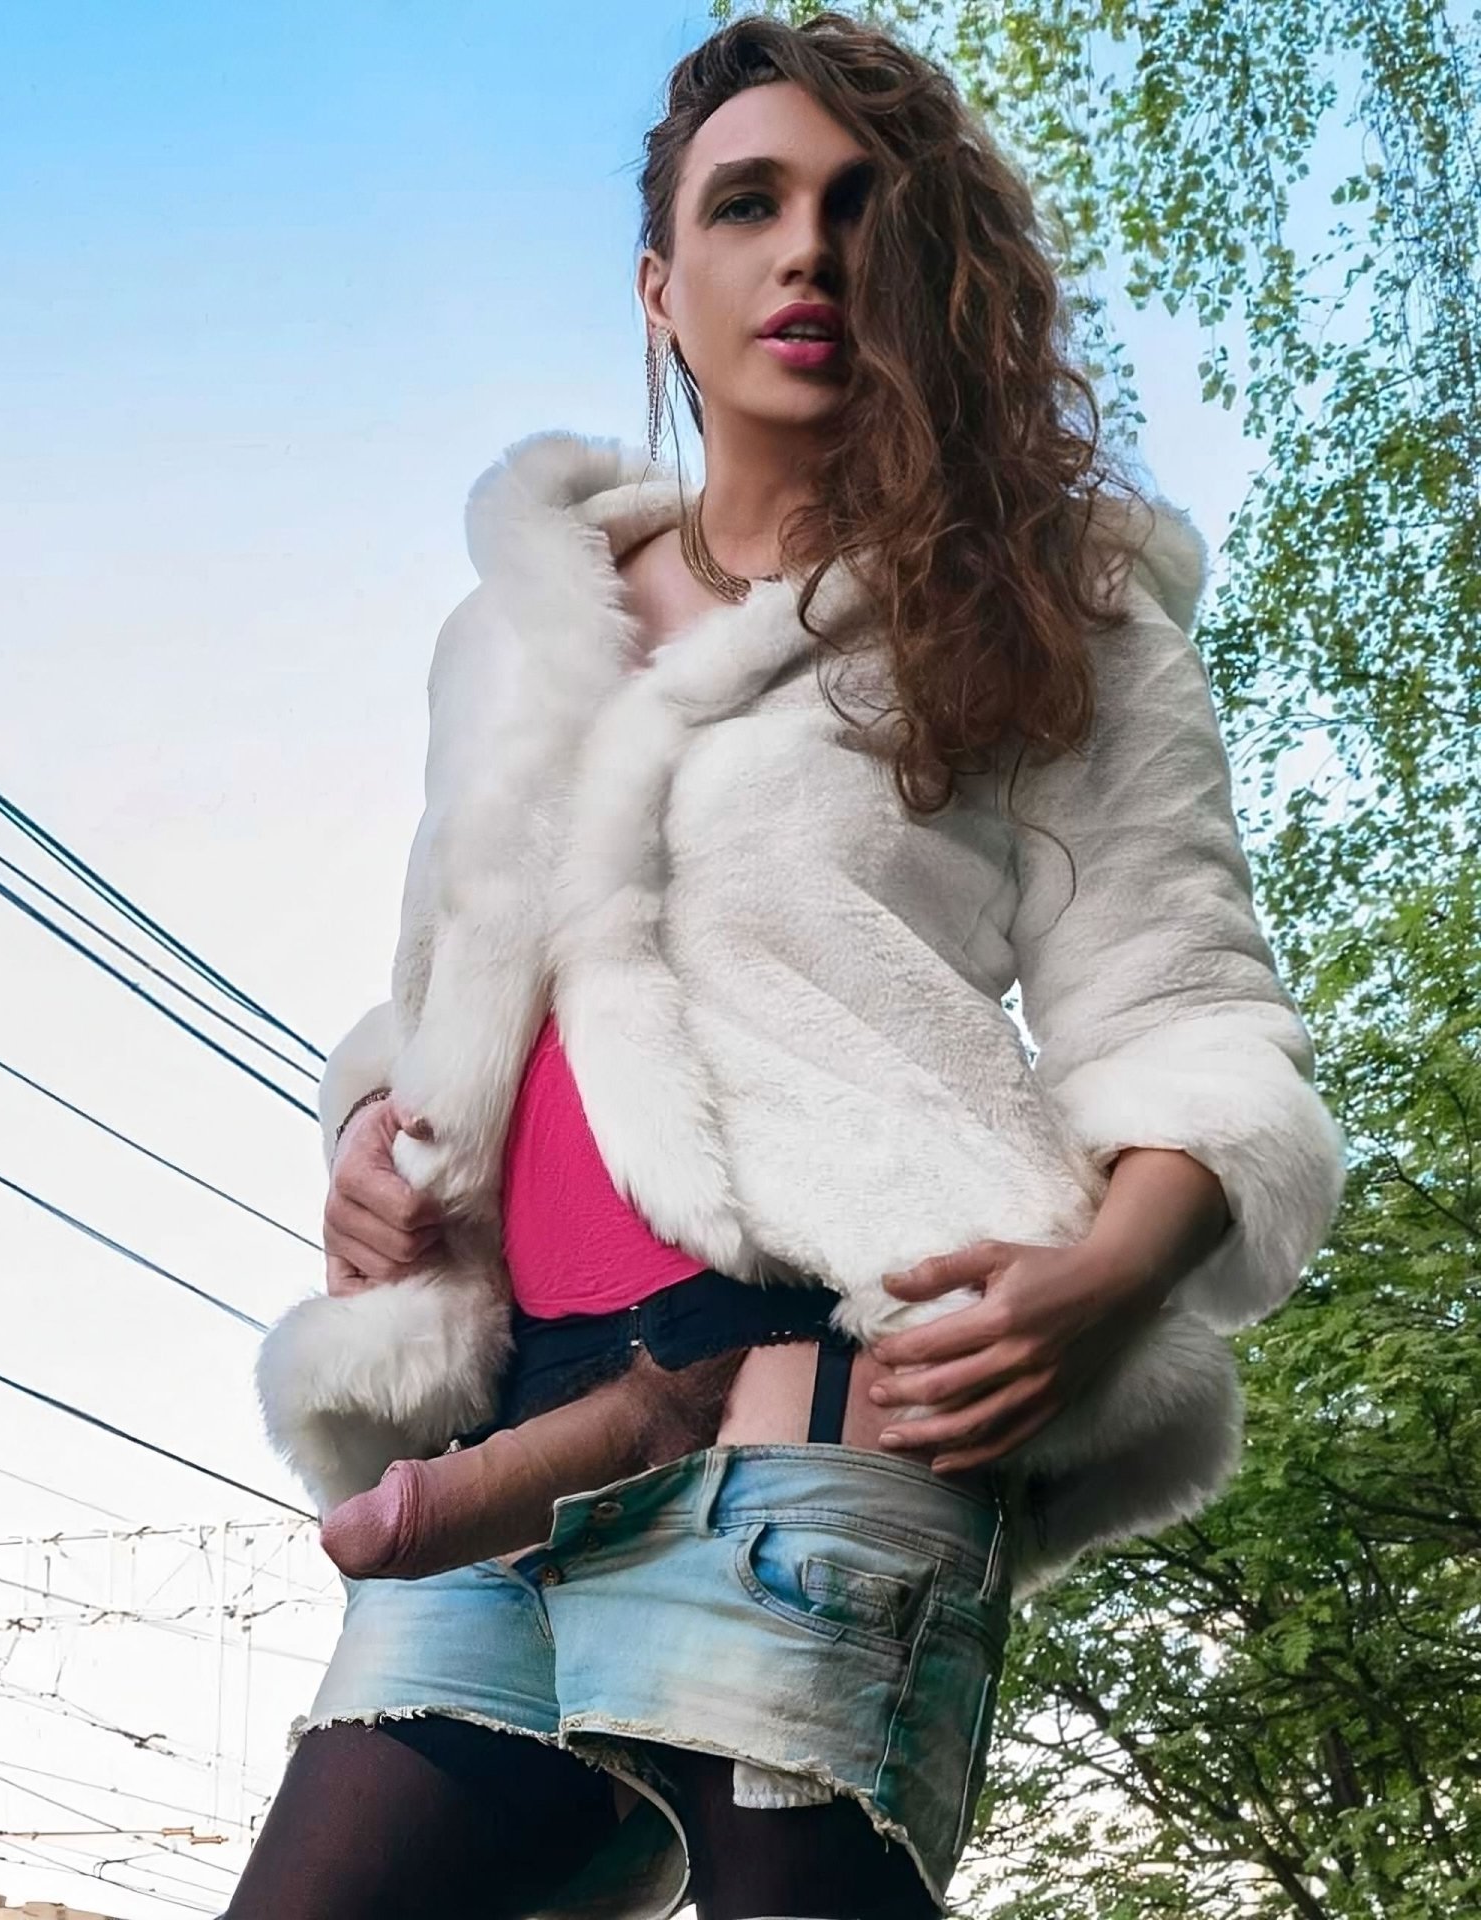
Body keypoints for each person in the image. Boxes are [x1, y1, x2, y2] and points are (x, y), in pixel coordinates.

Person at [230, 11, 1347, 1919]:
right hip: (509, 1429)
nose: (809, 250)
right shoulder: (514, 630)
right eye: (747, 205)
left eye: (862, 209)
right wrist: (371, 1149)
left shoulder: (1059, 619)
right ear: (662, 289)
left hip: (831, 1404)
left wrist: (1100, 1280)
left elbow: (1188, 1018)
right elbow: (442, 989)